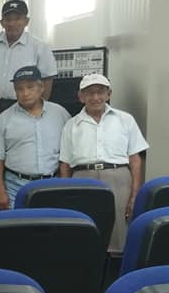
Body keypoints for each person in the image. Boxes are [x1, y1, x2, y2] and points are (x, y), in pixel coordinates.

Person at [59, 73, 149, 250]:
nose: (95, 97)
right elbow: (65, 164)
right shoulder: (71, 125)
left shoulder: (125, 120)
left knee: (119, 234)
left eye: (100, 92)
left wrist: (135, 194)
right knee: (84, 231)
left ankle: (115, 265)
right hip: (81, 180)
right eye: (89, 93)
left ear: (109, 94)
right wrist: (65, 195)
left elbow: (135, 159)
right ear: (81, 96)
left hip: (118, 178)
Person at [0, 66, 71, 208]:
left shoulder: (60, 113)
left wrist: (65, 184)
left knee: (52, 222)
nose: (25, 93)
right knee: (18, 222)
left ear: (41, 88)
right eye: (19, 89)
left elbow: (69, 151)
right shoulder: (5, 118)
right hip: (15, 186)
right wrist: (0, 190)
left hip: (52, 184)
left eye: (30, 87)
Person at [0, 0, 57, 125]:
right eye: (8, 19)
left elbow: (47, 79)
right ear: (1, 22)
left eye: (17, 19)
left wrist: (39, 109)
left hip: (23, 107)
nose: (12, 23)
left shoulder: (39, 47)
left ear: (26, 21)